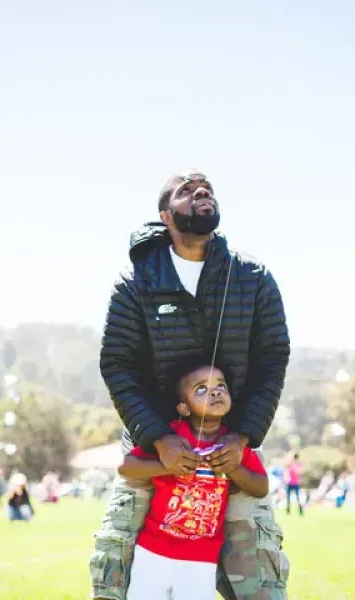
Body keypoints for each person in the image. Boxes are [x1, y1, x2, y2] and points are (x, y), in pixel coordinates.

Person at [91, 169, 290, 600]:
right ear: (165, 216)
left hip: (230, 452)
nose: (202, 192)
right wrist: (159, 438)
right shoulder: (135, 282)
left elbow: (272, 361)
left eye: (208, 189)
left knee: (261, 585)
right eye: (187, 190)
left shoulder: (252, 276)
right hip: (152, 449)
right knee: (113, 584)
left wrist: (242, 437)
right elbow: (117, 365)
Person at [120, 360, 268, 600]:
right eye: (201, 388)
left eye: (222, 386)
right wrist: (165, 465)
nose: (216, 391)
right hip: (153, 550)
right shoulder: (172, 438)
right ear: (184, 408)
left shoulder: (233, 446)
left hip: (201, 558)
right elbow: (126, 467)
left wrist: (233, 468)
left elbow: (260, 487)